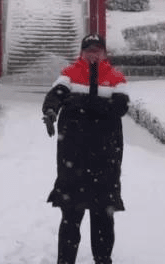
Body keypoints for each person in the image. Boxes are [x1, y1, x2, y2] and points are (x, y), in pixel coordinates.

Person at [42, 33, 129, 264]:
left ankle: (103, 260)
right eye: (89, 49)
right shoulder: (69, 75)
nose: (93, 53)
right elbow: (56, 96)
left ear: (104, 53)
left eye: (97, 49)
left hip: (105, 158)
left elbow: (119, 107)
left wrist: (79, 104)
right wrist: (51, 110)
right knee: (71, 215)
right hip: (74, 157)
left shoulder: (116, 77)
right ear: (81, 53)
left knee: (103, 217)